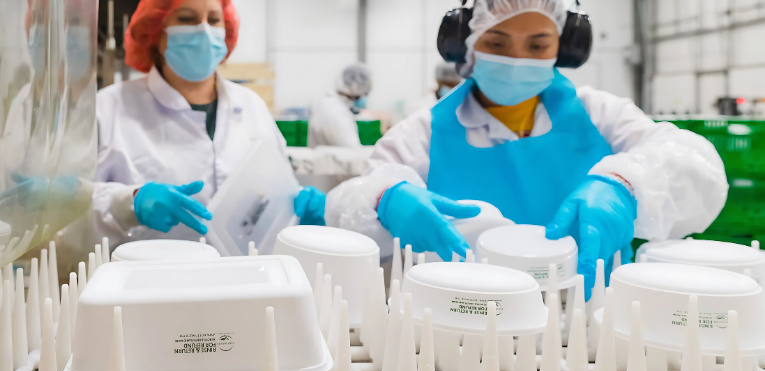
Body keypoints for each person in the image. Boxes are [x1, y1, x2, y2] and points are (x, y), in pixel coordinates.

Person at [325, 0, 728, 299]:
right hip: (466, 320)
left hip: (590, 324)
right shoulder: (424, 132)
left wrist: (625, 186)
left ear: (564, 49)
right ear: (465, 45)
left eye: (537, 47)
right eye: (497, 43)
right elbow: (354, 202)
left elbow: (695, 165)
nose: (517, 60)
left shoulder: (601, 114)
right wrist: (386, 198)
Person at [94, 0, 325, 248]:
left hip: (249, 278)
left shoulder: (251, 106)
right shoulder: (110, 108)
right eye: (186, 19)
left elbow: (276, 188)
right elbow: (69, 205)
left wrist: (299, 211)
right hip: (149, 280)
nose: (204, 30)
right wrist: (129, 202)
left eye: (214, 20)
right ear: (154, 32)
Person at [307, 64, 372, 148]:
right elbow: (351, 150)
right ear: (354, 87)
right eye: (362, 94)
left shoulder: (326, 102)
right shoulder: (336, 112)